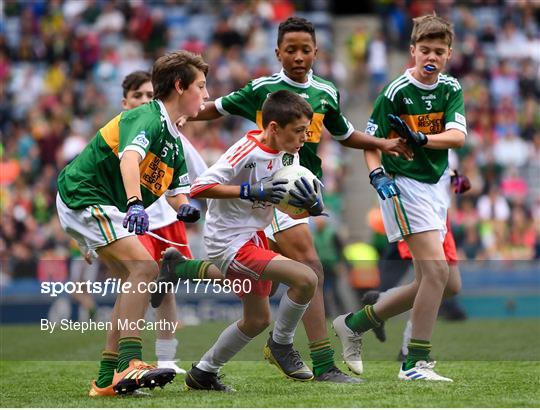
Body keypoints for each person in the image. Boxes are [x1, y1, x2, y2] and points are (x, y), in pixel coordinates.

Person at [192, 16, 412, 383]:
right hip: (272, 191)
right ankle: (317, 360)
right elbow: (211, 109)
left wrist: (380, 143)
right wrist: (170, 114)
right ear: (277, 52)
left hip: (299, 193)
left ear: (316, 52)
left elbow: (344, 134)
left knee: (265, 276)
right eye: (290, 49)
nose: (297, 56)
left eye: (304, 50)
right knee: (311, 267)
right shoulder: (262, 89)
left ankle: (184, 271)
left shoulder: (325, 92)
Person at [56, 51, 214, 396]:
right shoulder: (148, 117)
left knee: (135, 277)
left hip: (99, 202)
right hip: (83, 195)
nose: (206, 95)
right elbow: (130, 159)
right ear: (179, 86)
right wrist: (134, 204)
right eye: (201, 86)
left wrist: (184, 207)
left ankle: (104, 380)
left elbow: (175, 192)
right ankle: (131, 362)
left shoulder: (173, 140)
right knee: (145, 268)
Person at [333, 14, 466, 382]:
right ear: (412, 51)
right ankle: (414, 363)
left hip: (436, 187)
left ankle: (354, 323)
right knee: (437, 272)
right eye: (425, 50)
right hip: (403, 185)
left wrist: (425, 143)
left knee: (440, 281)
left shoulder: (451, 88)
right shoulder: (395, 93)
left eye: (439, 52)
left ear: (448, 54)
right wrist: (376, 175)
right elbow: (373, 144)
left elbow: (457, 137)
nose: (431, 57)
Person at [181, 90, 322, 391]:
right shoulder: (247, 149)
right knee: (306, 278)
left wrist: (310, 206)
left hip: (255, 236)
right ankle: (281, 344)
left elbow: (282, 204)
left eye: (306, 132)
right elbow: (199, 187)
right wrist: (249, 190)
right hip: (228, 242)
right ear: (273, 128)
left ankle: (203, 372)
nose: (303, 139)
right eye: (298, 131)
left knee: (257, 319)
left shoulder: (291, 153)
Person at [120, 70, 210, 374]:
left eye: (149, 95)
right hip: (132, 221)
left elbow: (204, 176)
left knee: (166, 288)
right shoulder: (120, 135)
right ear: (125, 102)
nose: (144, 100)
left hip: (168, 221)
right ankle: (126, 359)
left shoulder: (174, 136)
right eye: (137, 95)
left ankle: (166, 358)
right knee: (136, 282)